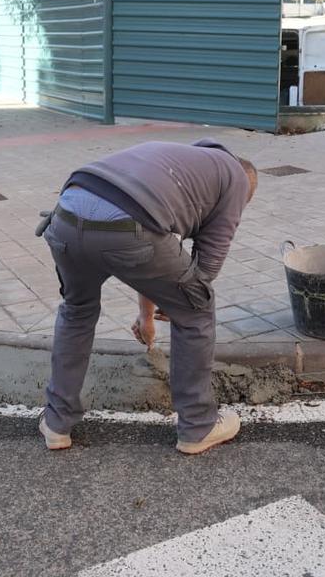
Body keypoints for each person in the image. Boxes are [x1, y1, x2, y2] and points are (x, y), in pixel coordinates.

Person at [37, 139, 258, 454]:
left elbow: (155, 256)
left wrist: (146, 316)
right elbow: (205, 269)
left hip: (67, 215)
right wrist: (179, 301)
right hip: (130, 225)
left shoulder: (183, 162)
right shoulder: (237, 179)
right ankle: (198, 426)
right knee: (197, 310)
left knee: (77, 310)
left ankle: (56, 424)